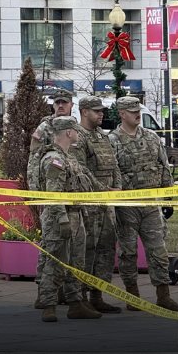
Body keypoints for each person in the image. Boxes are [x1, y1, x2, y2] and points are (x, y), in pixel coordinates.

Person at [109, 96, 178, 312]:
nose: (136, 114)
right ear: (122, 114)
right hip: (127, 207)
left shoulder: (151, 137)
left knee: (158, 251)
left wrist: (167, 194)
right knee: (128, 253)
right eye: (131, 111)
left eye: (137, 109)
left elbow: (163, 165)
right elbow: (111, 174)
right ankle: (133, 296)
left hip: (150, 205)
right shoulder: (112, 141)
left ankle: (163, 295)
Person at [36, 116, 104, 322]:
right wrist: (63, 220)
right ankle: (48, 305)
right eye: (75, 130)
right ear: (68, 132)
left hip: (76, 216)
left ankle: (76, 304)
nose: (77, 133)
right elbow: (54, 193)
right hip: (59, 218)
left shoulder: (70, 158)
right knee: (56, 261)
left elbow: (87, 181)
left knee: (77, 262)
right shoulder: (53, 159)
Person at [71, 96, 122, 314]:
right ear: (83, 111)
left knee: (106, 250)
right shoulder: (77, 137)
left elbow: (114, 165)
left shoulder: (103, 137)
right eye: (96, 111)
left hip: (107, 203)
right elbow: (81, 170)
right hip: (89, 203)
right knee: (86, 250)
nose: (101, 114)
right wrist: (104, 189)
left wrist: (117, 188)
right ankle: (79, 298)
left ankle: (97, 295)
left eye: (102, 111)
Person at [27, 87, 74, 306]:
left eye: (64, 102)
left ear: (71, 104)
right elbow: (34, 160)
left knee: (69, 247)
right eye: (57, 103)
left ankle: (64, 291)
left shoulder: (74, 128)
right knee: (51, 243)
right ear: (53, 105)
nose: (61, 106)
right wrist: (37, 195)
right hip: (50, 193)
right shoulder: (45, 128)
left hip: (71, 195)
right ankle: (43, 291)